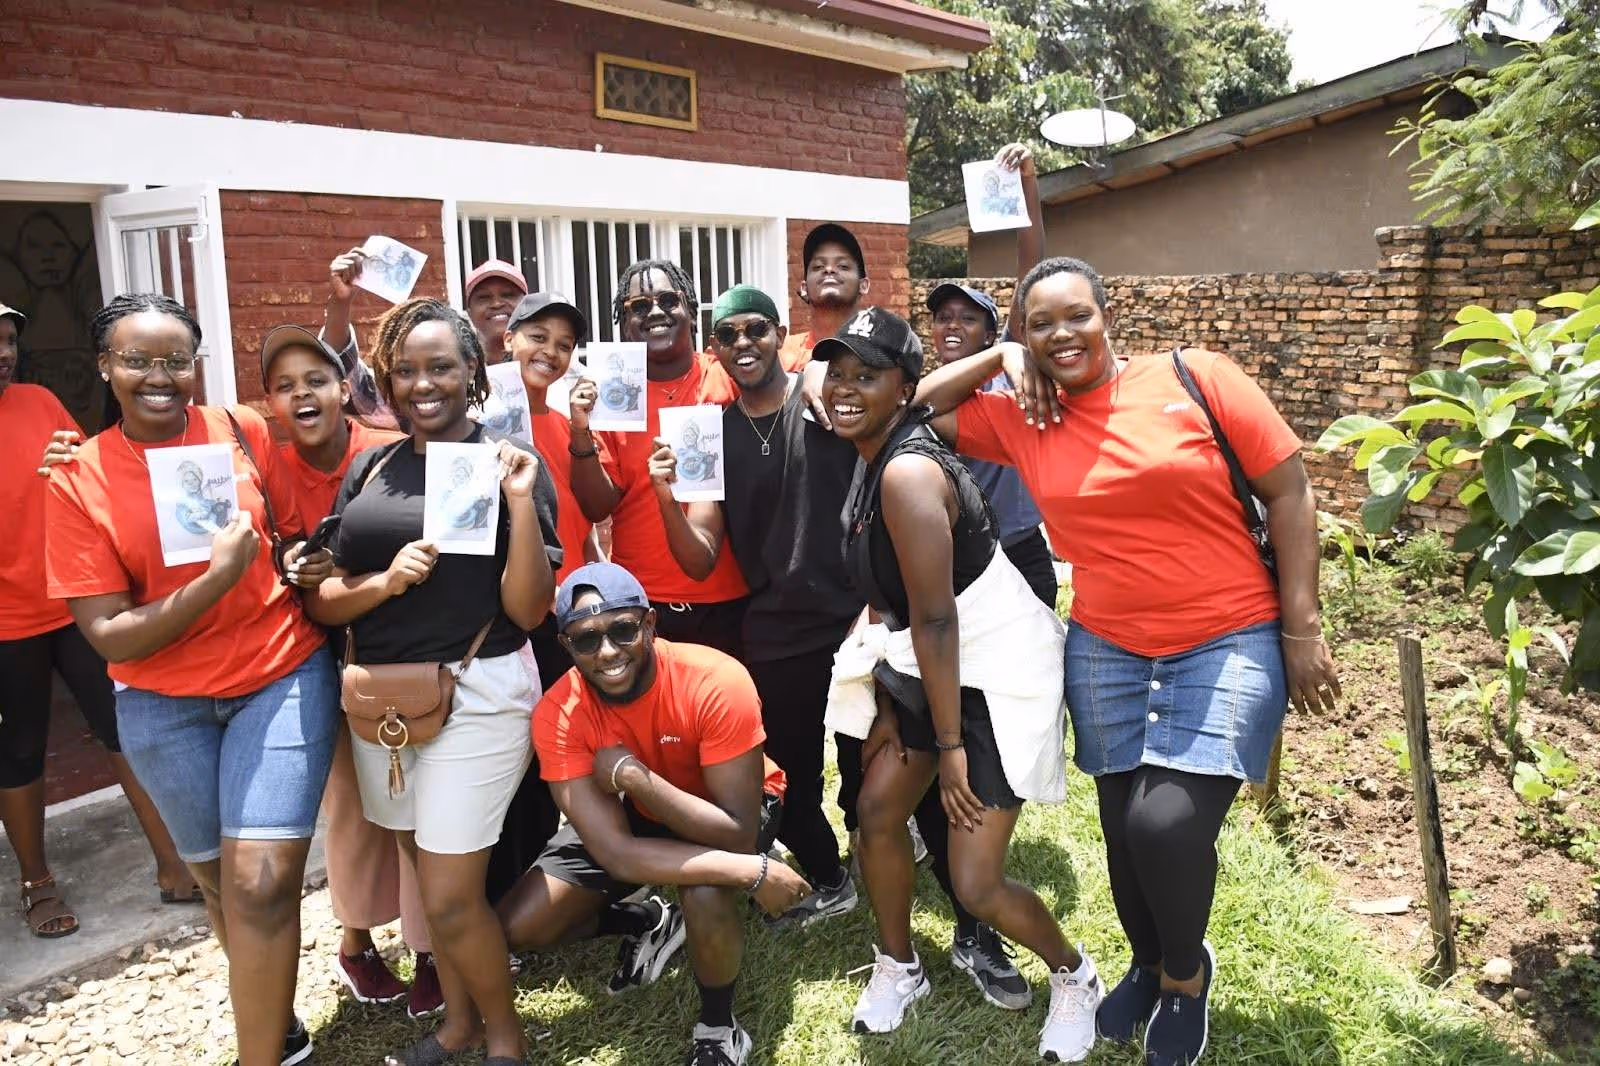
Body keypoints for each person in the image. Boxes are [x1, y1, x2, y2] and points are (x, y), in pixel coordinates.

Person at [918, 256, 1341, 1066]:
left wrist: (1301, 629)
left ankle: (1185, 976)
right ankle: (1147, 964)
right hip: (1108, 646)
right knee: (1120, 832)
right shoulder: (1023, 415)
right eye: (1040, 323)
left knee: (1165, 823)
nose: (1060, 334)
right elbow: (914, 411)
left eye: (1075, 315)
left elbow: (1290, 493)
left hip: (1229, 635)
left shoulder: (1196, 377)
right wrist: (1001, 357)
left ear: (1107, 314)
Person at [44, 293, 337, 1066]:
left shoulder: (239, 430)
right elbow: (106, 633)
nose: (159, 376)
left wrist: (302, 559)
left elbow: (295, 525)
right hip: (161, 703)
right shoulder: (78, 477)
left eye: (175, 359)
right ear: (105, 367)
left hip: (278, 672)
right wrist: (214, 581)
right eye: (137, 360)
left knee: (265, 880)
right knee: (217, 883)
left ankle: (257, 1056)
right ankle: (274, 1018)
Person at [817, 306, 1102, 1061]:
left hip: (996, 677)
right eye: (837, 372)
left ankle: (1076, 976)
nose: (845, 388)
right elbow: (904, 612)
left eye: (865, 375)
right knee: (876, 812)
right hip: (934, 664)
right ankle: (898, 964)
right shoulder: (876, 441)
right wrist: (1001, 352)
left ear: (901, 388)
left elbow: (938, 620)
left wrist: (948, 748)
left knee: (976, 885)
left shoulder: (909, 472)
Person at [304, 297, 560, 1066]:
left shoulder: (509, 461)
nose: (423, 383)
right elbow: (326, 594)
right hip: (384, 702)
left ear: (473, 372)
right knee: (425, 864)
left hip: (478, 689)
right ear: (385, 377)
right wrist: (381, 582)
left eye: (441, 366)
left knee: (449, 893)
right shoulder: (370, 464)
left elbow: (529, 607)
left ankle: (505, 1043)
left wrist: (518, 501)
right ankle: (457, 1025)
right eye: (406, 369)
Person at [497, 563, 811, 1066]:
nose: (606, 652)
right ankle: (649, 918)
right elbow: (617, 852)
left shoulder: (715, 678)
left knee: (704, 889)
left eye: (622, 630)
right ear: (565, 646)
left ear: (650, 625)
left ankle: (717, 1029)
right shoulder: (557, 712)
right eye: (585, 640)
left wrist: (634, 776)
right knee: (521, 925)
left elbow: (735, 831)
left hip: (730, 808)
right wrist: (753, 872)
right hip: (636, 813)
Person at [646, 283, 858, 930]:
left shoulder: (823, 401)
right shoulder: (709, 436)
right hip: (777, 628)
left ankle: (890, 848)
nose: (744, 344)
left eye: (756, 331)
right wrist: (664, 496)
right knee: (785, 772)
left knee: (866, 765)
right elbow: (702, 555)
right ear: (714, 349)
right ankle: (829, 874)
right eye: (729, 335)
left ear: (778, 333)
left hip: (855, 620)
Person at [257, 325, 442, 1016]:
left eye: (316, 379)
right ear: (269, 402)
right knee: (351, 810)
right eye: (284, 385)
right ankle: (357, 945)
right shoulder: (262, 467)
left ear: (345, 388)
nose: (302, 393)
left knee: (414, 807)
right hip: (311, 653)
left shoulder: (388, 452)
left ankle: (429, 950)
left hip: (394, 651)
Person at [2, 302, 195, 941]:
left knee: (121, 729)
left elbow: (91, 470)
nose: (3, 353)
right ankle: (37, 880)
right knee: (20, 750)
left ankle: (172, 863)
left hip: (78, 603)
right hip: (5, 622)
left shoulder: (35, 399)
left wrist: (69, 457)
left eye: (6, 340)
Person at [482, 291, 601, 911]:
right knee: (510, 758)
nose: (550, 353)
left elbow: (582, 523)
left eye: (563, 345)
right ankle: (501, 895)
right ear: (507, 339)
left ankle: (534, 888)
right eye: (537, 337)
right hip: (512, 615)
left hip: (569, 616)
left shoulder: (562, 425)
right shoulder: (478, 428)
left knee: (553, 749)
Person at [566, 260, 751, 658]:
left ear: (691, 312)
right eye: (638, 306)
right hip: (643, 601)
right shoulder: (613, 397)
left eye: (669, 300)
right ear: (623, 322)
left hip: (731, 595)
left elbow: (791, 372)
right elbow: (597, 505)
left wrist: (818, 372)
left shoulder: (727, 376)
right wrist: (580, 430)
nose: (655, 312)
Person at [926, 142, 1057, 608]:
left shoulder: (1010, 367)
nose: (952, 326)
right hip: (961, 557)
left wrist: (1026, 183)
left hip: (1020, 551)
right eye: (944, 317)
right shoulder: (929, 390)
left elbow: (1033, 268)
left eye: (967, 318)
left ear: (990, 334)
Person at [320, 252, 530, 427]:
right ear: (469, 309)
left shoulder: (550, 371)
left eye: (508, 294)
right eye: (484, 297)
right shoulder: (428, 382)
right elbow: (354, 384)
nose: (496, 303)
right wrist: (341, 301)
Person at [780, 223, 871, 365]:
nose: (829, 269)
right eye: (818, 267)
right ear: (804, 288)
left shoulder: (883, 354)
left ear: (863, 285)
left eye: (843, 266)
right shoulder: (780, 357)